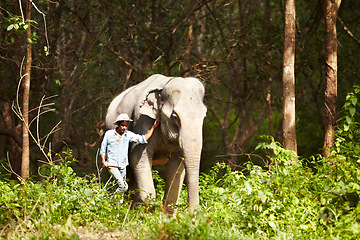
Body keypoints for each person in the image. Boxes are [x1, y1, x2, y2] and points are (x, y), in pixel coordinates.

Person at [100, 113, 159, 195]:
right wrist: (103, 161)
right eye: (122, 125)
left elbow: (143, 139)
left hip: (123, 165)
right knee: (123, 187)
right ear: (118, 124)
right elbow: (103, 148)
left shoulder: (128, 134)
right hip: (112, 165)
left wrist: (153, 127)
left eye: (126, 126)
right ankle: (110, 200)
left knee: (122, 189)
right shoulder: (109, 134)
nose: (124, 127)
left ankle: (118, 206)